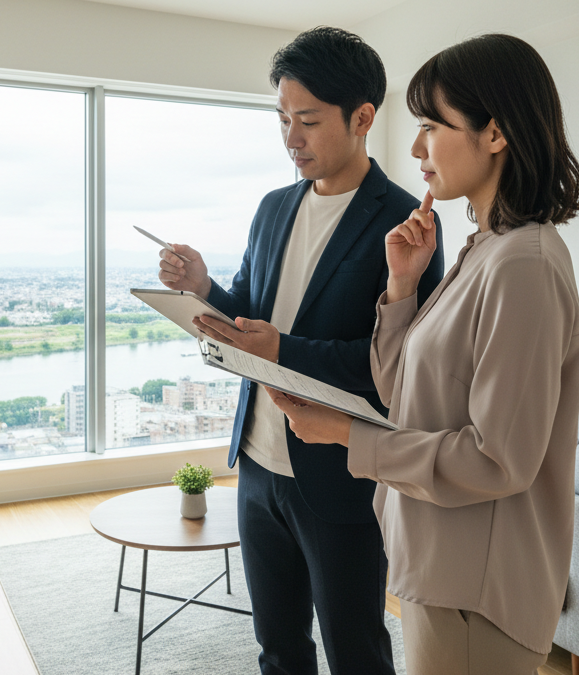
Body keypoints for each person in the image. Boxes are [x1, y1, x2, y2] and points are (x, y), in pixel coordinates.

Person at [267, 33, 579, 675]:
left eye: (430, 125)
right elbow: (401, 392)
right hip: (442, 567)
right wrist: (402, 289)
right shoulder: (484, 249)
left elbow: (498, 460)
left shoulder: (522, 264)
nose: (414, 147)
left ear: (494, 134)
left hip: (476, 588)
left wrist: (345, 435)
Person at [157, 26, 444, 675]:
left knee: (356, 652)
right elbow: (251, 315)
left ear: (363, 117)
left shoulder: (406, 226)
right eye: (284, 119)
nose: (291, 137)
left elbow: (397, 369)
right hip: (258, 468)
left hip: (342, 478)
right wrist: (203, 288)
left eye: (309, 120)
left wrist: (283, 346)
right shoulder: (270, 208)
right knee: (278, 649)